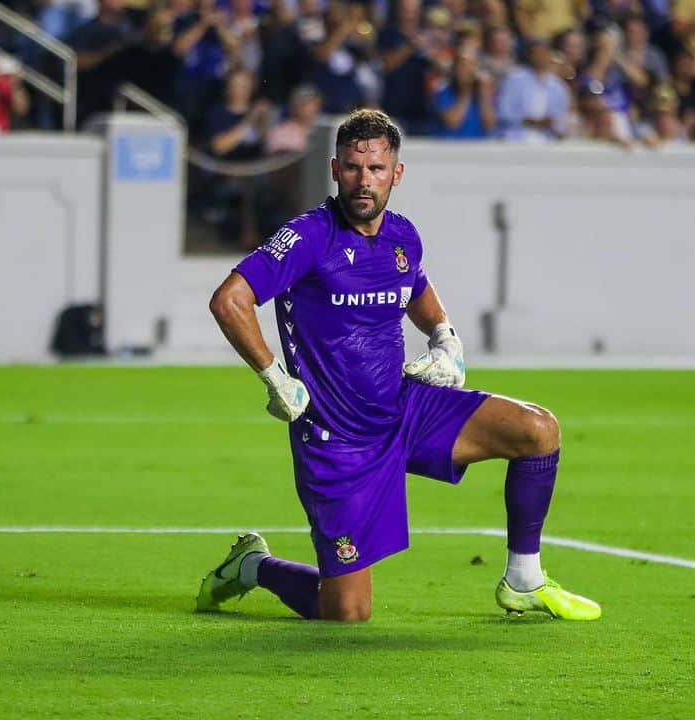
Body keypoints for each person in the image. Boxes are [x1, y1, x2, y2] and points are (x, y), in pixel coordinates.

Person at [197, 109, 601, 623]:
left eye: (376, 169)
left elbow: (416, 289)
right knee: (346, 611)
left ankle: (524, 578)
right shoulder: (308, 238)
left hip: (404, 410)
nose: (364, 180)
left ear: (397, 173)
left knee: (538, 430)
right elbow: (230, 300)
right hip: (337, 439)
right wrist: (274, 376)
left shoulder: (403, 237)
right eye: (352, 168)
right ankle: (253, 565)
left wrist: (444, 337)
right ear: (335, 169)